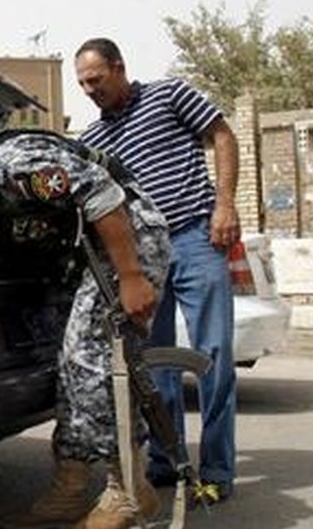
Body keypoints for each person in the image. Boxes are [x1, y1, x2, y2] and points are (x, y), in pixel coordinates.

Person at [0, 117, 172, 529]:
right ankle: (70, 487)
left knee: (90, 359)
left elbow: (103, 194)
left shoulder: (10, 161)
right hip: (85, 255)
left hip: (127, 236)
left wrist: (130, 276)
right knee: (71, 372)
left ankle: (129, 491)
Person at [76, 37, 239, 505]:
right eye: (83, 84)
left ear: (120, 67)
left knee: (214, 358)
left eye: (97, 80)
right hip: (143, 260)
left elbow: (223, 136)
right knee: (153, 367)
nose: (90, 91)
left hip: (196, 238)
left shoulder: (170, 95)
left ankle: (215, 471)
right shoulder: (92, 141)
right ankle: (167, 463)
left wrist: (224, 204)